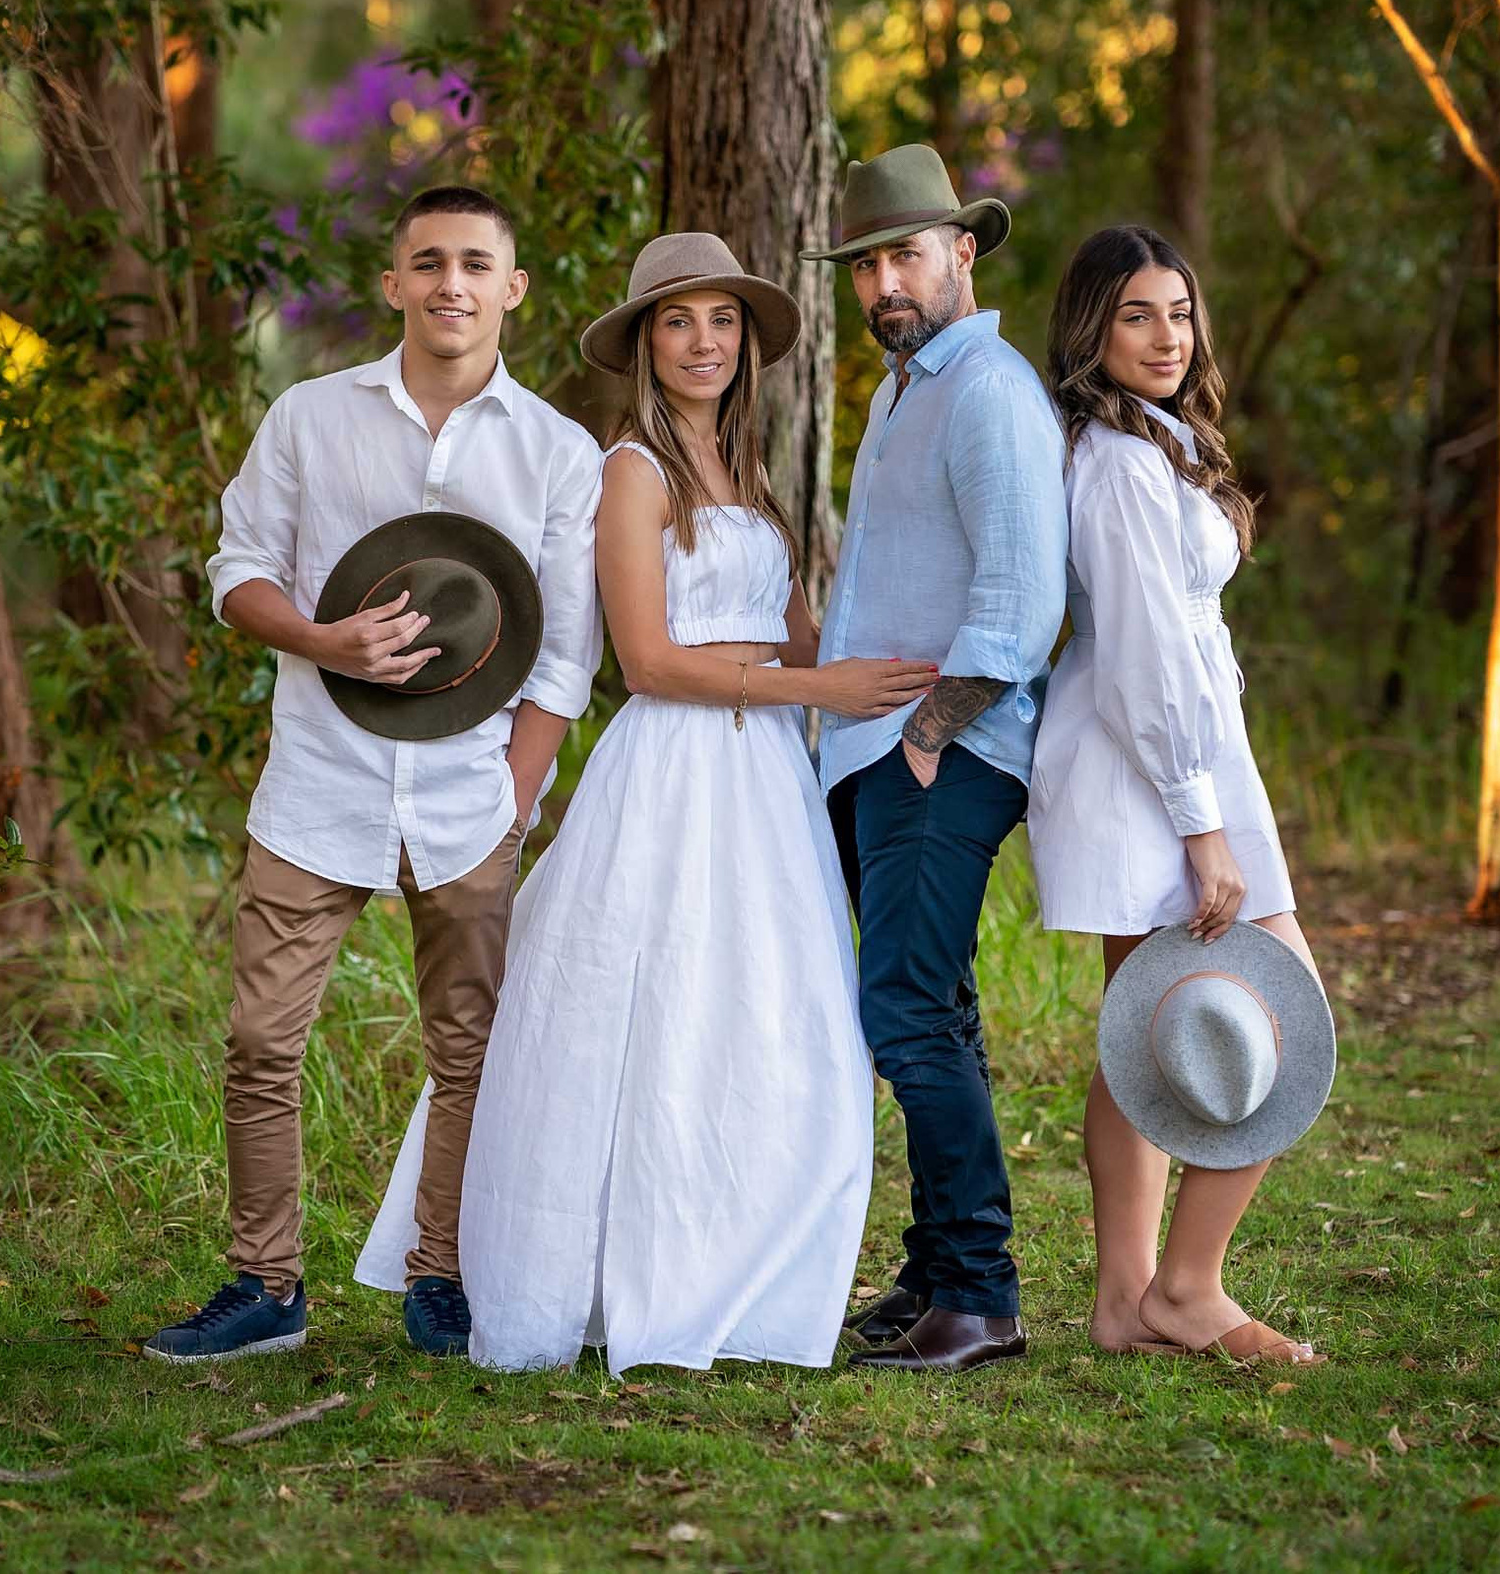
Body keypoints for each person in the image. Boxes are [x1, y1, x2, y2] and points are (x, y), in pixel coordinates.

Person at [359, 233, 932, 1372]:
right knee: (638, 1011)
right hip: (673, 764)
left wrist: (904, 672)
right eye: (678, 322)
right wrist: (817, 685)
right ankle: (573, 1268)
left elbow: (802, 629)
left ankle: (737, 1268)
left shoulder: (753, 470)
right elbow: (650, 658)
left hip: (763, 775)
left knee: (766, 1015)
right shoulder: (632, 470)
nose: (703, 342)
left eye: (721, 320)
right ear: (644, 345)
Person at [144, 186, 604, 1363]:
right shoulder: (309, 416)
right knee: (261, 1039)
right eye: (428, 260)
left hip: (470, 797)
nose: (452, 281)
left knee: (471, 1048)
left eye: (477, 262)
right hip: (318, 780)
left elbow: (562, 657)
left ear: (513, 287)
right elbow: (236, 563)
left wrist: (515, 792)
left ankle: (440, 1274)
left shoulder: (557, 450)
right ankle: (266, 1282)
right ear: (392, 283)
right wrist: (319, 640)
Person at [1026, 224, 1327, 1365]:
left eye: (1178, 313)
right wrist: (1203, 826)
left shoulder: (1159, 441)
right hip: (1150, 770)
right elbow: (1145, 652)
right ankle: (1187, 1286)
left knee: (1143, 1036)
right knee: (1280, 1009)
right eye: (1135, 315)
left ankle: (1123, 1298)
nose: (1163, 336)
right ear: (1092, 328)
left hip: (1180, 759)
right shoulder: (1111, 461)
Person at [805, 145, 1071, 1374]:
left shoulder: (989, 390)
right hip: (880, 750)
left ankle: (978, 1292)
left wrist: (923, 738)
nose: (882, 283)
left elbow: (1022, 601)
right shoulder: (906, 388)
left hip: (944, 748)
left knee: (904, 1008)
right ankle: (932, 1272)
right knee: (932, 1007)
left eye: (904, 255)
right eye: (864, 265)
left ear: (963, 253)